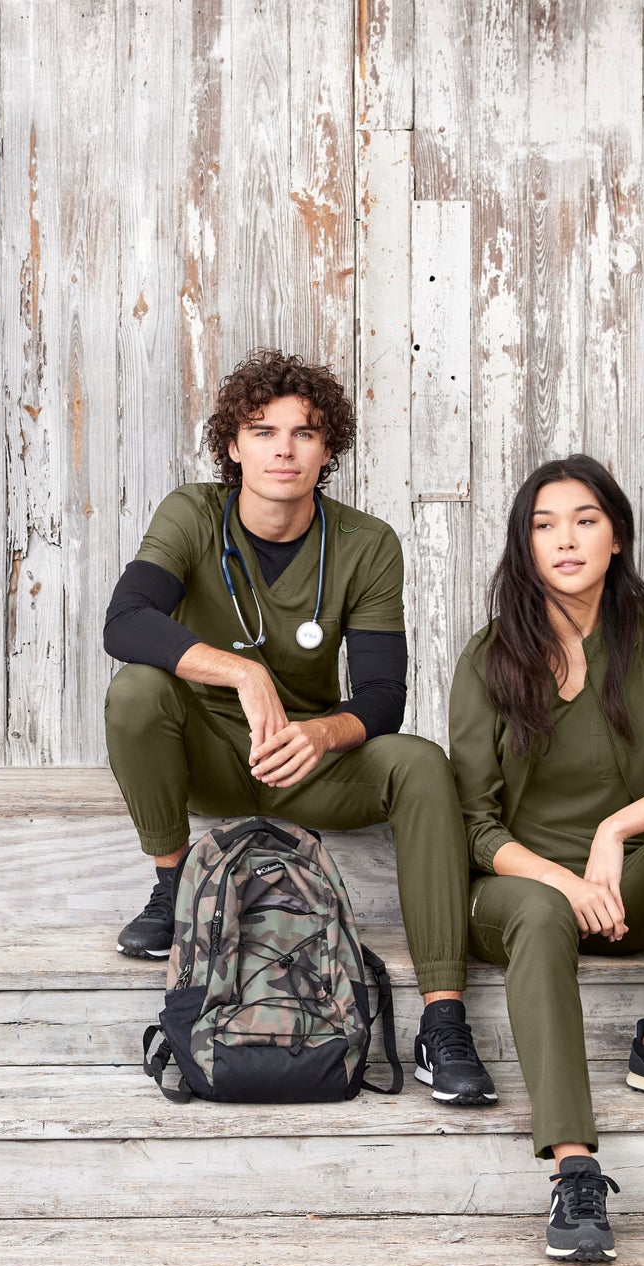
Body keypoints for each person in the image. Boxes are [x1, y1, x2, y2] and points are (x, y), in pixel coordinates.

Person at [102, 348, 495, 1106]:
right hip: (212, 755)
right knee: (135, 691)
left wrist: (320, 735)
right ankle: (172, 885)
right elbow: (126, 620)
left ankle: (443, 1021)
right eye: (263, 430)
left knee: (419, 760)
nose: (283, 449)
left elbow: (381, 695)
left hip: (308, 764)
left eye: (304, 433)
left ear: (326, 449)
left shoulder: (365, 543)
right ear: (233, 445)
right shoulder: (191, 514)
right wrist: (243, 674)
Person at [447, 453, 644, 1262]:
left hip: (623, 892)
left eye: (584, 520)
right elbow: (474, 827)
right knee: (540, 910)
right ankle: (574, 1168)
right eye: (544, 525)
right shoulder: (488, 657)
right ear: (525, 545)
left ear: (616, 536)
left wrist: (616, 832)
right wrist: (563, 879)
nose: (565, 540)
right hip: (518, 893)